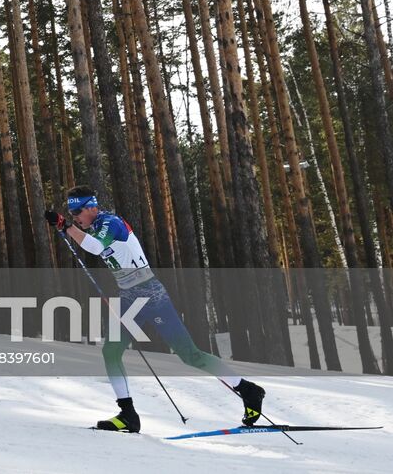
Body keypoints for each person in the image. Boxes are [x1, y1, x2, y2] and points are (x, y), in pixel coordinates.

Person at [45, 185, 264, 433]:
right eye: (72, 213)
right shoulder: (93, 227)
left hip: (151, 295)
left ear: (92, 207)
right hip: (128, 298)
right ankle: (127, 414)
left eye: (77, 212)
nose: (76, 217)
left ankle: (247, 389)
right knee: (111, 351)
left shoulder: (110, 222)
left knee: (189, 355)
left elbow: (95, 248)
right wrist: (67, 226)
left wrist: (65, 226)